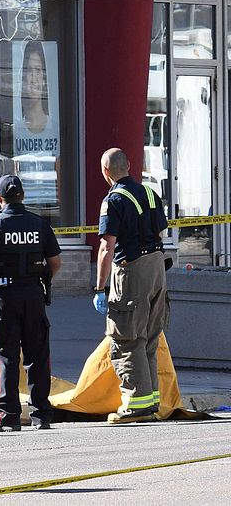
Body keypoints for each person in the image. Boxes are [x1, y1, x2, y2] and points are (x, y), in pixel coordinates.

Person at [0, 175, 61, 431]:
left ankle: (8, 417)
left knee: (7, 357)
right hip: (33, 295)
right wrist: (38, 279)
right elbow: (55, 262)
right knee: (38, 356)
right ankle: (41, 416)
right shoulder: (39, 224)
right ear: (23, 196)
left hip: (4, 298)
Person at [93, 148, 169, 424]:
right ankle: (151, 401)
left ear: (105, 171)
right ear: (130, 165)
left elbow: (106, 246)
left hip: (132, 270)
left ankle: (136, 405)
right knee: (149, 337)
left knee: (127, 338)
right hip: (157, 268)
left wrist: (100, 288)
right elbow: (159, 231)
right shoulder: (150, 193)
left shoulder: (113, 199)